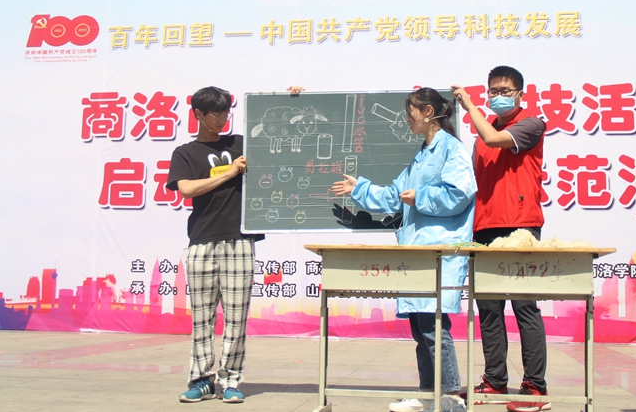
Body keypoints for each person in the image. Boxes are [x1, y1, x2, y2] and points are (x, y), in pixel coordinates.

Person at [332, 88, 476, 412]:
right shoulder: (422, 155)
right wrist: (359, 189)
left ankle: (451, 397)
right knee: (421, 328)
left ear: (428, 112)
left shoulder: (451, 150)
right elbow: (394, 196)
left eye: (410, 113)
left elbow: (460, 194)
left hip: (437, 252)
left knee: (433, 327)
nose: (407, 120)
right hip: (417, 253)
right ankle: (428, 395)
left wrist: (421, 197)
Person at [167, 85, 304, 403]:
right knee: (202, 316)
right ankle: (201, 380)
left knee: (236, 316)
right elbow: (186, 189)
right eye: (216, 114)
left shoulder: (241, 143)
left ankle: (230, 379)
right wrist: (229, 173)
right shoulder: (186, 153)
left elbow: (285, 138)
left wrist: (295, 100)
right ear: (198, 114)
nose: (222, 120)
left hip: (240, 239)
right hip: (202, 240)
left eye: (226, 113)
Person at [452, 66, 550, 412]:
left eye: (505, 91)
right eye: (493, 90)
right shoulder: (483, 133)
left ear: (521, 94)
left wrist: (469, 106)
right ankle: (495, 380)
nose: (498, 96)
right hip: (484, 228)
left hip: (520, 227)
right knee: (489, 309)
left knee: (524, 307)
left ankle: (535, 387)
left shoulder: (531, 124)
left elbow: (496, 141)